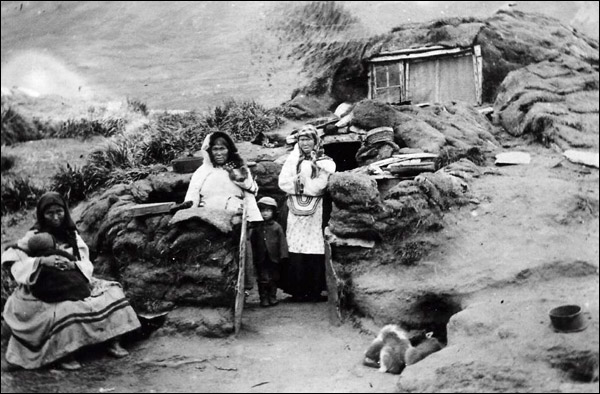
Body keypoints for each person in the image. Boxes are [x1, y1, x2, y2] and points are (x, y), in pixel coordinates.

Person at [1, 192, 141, 371]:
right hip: (44, 285)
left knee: (113, 294)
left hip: (73, 279)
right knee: (65, 310)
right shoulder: (34, 235)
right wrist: (41, 261)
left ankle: (112, 340)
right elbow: (12, 256)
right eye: (49, 213)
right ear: (41, 215)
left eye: (59, 211)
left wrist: (72, 264)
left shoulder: (71, 234)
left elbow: (85, 261)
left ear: (65, 212)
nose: (55, 217)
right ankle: (65, 353)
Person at [183, 131, 263, 292]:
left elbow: (252, 189)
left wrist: (236, 174)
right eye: (215, 149)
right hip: (211, 221)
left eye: (223, 149)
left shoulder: (238, 168)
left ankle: (242, 289)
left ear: (229, 150)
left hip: (236, 220)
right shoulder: (202, 172)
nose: (219, 153)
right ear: (209, 151)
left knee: (240, 253)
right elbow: (192, 197)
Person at [278, 124, 336, 302]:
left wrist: (303, 187)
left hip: (317, 209)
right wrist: (297, 183)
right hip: (294, 210)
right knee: (294, 244)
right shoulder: (292, 160)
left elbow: (321, 184)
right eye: (302, 139)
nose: (305, 143)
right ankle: (296, 290)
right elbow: (283, 182)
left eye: (309, 139)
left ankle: (314, 290)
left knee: (315, 245)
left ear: (316, 141)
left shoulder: (324, 161)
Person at [249, 197, 289, 307]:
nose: (265, 213)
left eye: (268, 210)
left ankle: (272, 297)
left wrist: (283, 255)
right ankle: (263, 298)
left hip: (274, 257)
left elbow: (282, 241)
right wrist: (253, 256)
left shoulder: (277, 227)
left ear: (273, 212)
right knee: (263, 278)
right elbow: (252, 242)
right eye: (262, 210)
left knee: (274, 278)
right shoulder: (257, 227)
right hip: (261, 258)